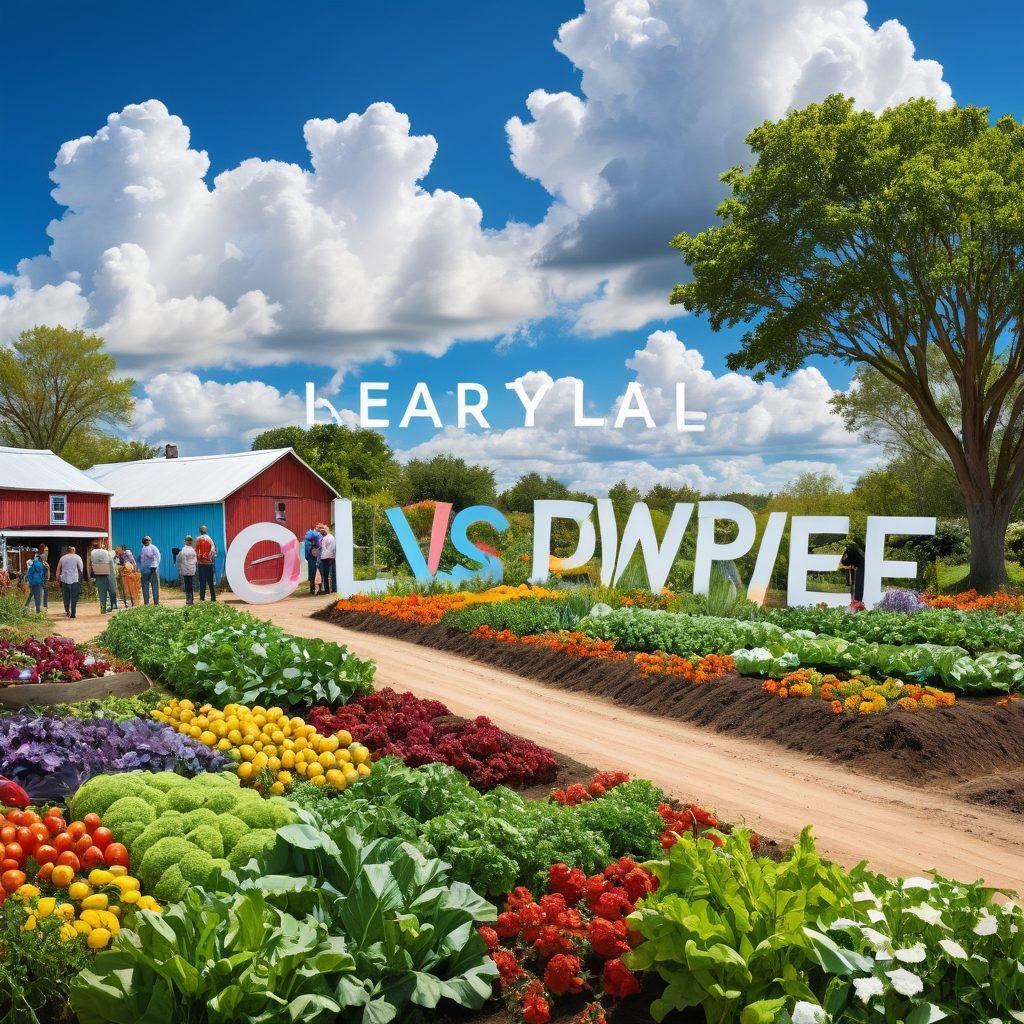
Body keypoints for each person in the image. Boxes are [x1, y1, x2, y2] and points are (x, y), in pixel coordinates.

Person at [89, 541, 117, 613]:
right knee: (112, 591)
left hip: (99, 575)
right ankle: (113, 606)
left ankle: (103, 609)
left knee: (101, 593)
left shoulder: (93, 555)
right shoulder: (108, 555)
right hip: (109, 575)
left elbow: (92, 566)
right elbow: (113, 567)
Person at [57, 545, 84, 619]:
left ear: (67, 551)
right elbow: (81, 569)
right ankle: (73, 613)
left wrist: (57, 578)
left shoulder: (62, 558)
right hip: (74, 580)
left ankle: (67, 611)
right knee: (74, 597)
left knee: (66, 596)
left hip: (64, 580)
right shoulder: (77, 557)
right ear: (73, 551)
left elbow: (58, 569)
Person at [194, 525, 217, 601]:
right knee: (210, 582)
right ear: (205, 530)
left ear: (200, 531)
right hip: (209, 564)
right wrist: (211, 558)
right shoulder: (210, 539)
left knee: (202, 582)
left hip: (201, 564)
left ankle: (202, 598)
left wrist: (198, 559)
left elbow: (196, 551)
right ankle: (213, 598)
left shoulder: (198, 539)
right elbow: (213, 551)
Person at [840, 537, 866, 603]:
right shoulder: (859, 549)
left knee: (858, 587)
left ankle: (857, 603)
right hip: (861, 567)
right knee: (859, 587)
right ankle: (858, 602)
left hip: (860, 568)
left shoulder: (851, 549)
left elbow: (845, 561)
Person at [24, 543, 49, 610]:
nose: (45, 552)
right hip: (37, 578)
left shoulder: (40, 557)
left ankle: (43, 606)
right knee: (35, 592)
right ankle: (30, 606)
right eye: (45, 550)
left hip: (39, 577)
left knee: (41, 591)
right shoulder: (38, 557)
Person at [139, 536, 161, 606]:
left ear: (149, 541)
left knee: (154, 585)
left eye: (147, 541)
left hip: (153, 569)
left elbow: (157, 557)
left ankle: (156, 602)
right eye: (145, 541)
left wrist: (154, 566)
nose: (146, 542)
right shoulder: (143, 548)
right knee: (145, 586)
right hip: (145, 570)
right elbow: (142, 559)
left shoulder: (153, 548)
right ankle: (146, 602)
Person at [176, 536, 198, 605]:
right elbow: (180, 559)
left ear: (191, 541)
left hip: (191, 568)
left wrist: (191, 565)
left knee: (190, 584)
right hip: (185, 568)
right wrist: (181, 568)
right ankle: (188, 598)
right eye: (187, 540)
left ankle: (191, 598)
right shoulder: (183, 549)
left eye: (190, 540)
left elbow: (195, 559)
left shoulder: (193, 549)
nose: (189, 541)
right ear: (185, 541)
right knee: (187, 584)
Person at [317, 522, 337, 594]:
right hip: (332, 557)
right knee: (332, 574)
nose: (320, 533)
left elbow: (324, 550)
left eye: (321, 531)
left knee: (325, 575)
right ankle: (334, 589)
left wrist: (320, 558)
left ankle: (327, 590)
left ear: (324, 531)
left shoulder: (325, 539)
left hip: (325, 558)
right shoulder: (332, 537)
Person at [303, 525, 322, 595]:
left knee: (313, 572)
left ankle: (313, 588)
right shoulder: (317, 535)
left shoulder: (309, 536)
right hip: (315, 556)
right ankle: (316, 588)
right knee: (317, 572)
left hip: (312, 556)